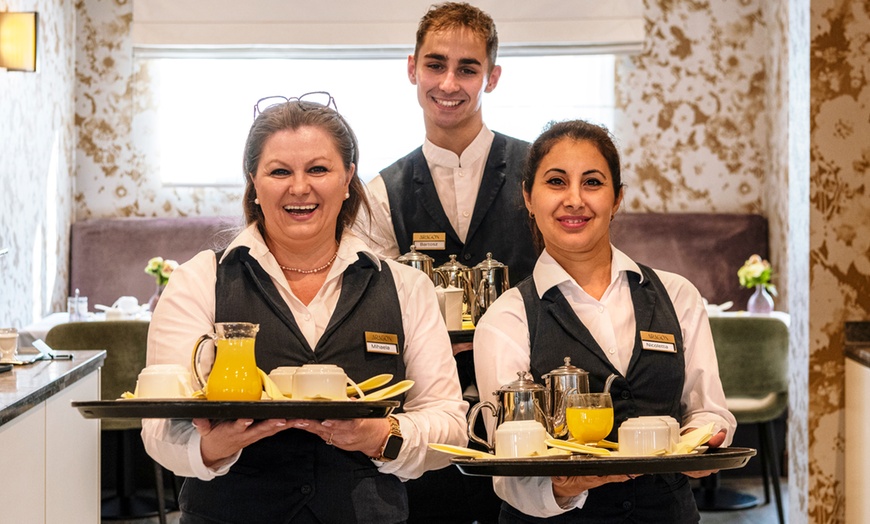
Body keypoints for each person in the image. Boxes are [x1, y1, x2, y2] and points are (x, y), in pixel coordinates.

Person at [141, 94, 468, 523]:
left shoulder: (406, 287)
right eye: (280, 172)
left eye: (318, 169)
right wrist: (213, 448)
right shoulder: (199, 280)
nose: (300, 187)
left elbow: (448, 424)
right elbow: (160, 429)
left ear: (348, 178)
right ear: (254, 183)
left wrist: (380, 436)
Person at [473, 119, 738, 523]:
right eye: (557, 182)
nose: (575, 199)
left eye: (593, 182)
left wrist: (703, 442)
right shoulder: (506, 317)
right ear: (528, 197)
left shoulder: (677, 295)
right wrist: (566, 485)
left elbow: (709, 410)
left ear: (616, 199)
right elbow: (508, 470)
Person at [354, 1, 536, 288]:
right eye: (436, 66)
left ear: (492, 79)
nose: (448, 84)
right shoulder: (381, 195)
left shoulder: (539, 169)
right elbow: (381, 298)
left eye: (467, 70)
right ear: (412, 69)